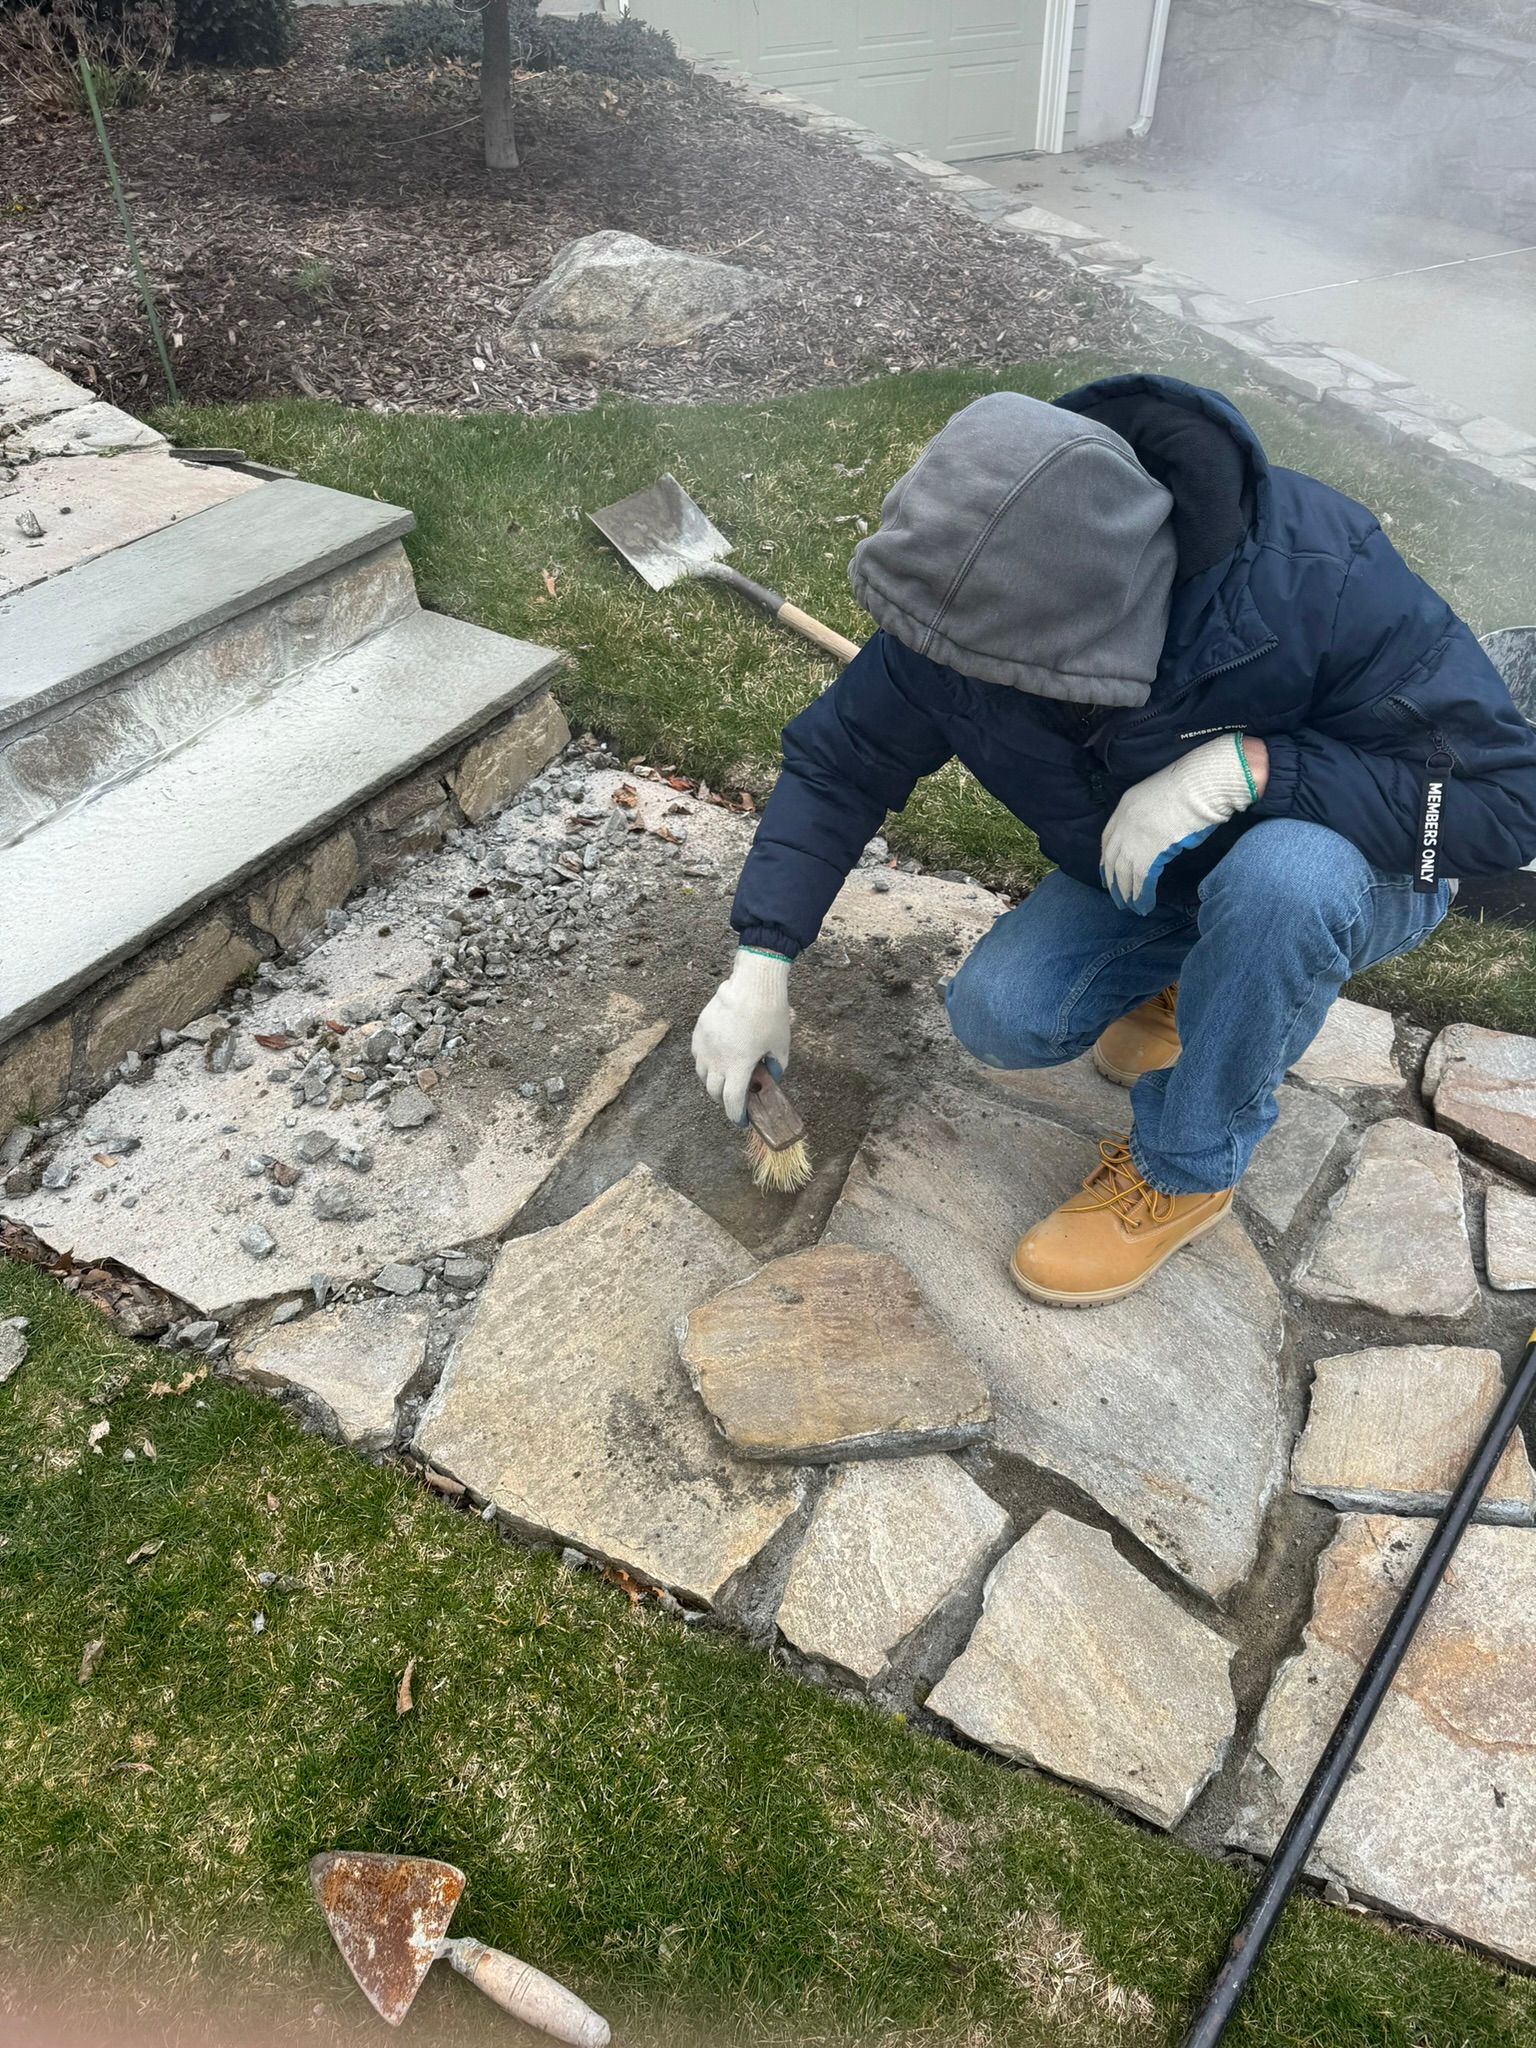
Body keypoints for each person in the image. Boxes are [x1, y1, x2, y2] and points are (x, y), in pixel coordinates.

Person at [691, 373, 1536, 1307]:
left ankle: (1185, 1170)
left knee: (1283, 883)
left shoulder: (1316, 581)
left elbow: (1504, 806)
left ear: (1109, 617)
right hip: (1163, 868)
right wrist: (761, 961)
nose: (952, 672)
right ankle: (1197, 979)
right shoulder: (987, 573)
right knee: (1000, 1014)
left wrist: (1252, 769)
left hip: (1360, 860)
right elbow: (841, 762)